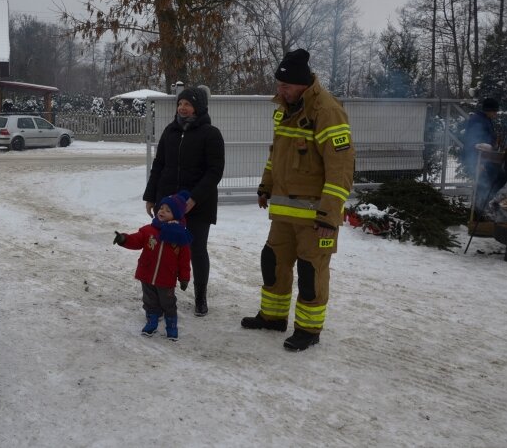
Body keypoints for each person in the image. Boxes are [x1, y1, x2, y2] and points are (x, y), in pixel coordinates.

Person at [241, 49, 354, 352]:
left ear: (303, 84)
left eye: (286, 86)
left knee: (310, 274)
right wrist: (266, 186)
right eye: (279, 85)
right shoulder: (284, 109)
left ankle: (308, 329)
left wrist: (330, 217)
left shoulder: (327, 111)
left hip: (316, 219)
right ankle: (273, 317)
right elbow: (275, 154)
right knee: (273, 264)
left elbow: (340, 169)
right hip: (283, 213)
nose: (280, 91)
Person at [143, 85, 225, 317]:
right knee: (165, 247)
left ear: (198, 107)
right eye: (180, 104)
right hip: (169, 203)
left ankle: (200, 296)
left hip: (199, 203)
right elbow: (159, 166)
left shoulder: (211, 134)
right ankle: (161, 295)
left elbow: (214, 171)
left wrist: (194, 198)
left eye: (187, 104)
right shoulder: (170, 131)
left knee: (197, 249)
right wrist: (151, 196)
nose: (183, 108)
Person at [113, 190, 193, 341]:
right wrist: (124, 239)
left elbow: (184, 260)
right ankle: (152, 322)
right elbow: (136, 240)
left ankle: (171, 326)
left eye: (168, 210)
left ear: (176, 215)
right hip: (147, 274)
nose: (162, 211)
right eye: (161, 208)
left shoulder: (180, 237)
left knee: (168, 303)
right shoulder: (149, 230)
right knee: (149, 301)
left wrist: (184, 277)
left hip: (166, 278)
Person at [462, 97, 507, 216]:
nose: (496, 114)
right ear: (488, 110)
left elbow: (488, 138)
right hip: (479, 159)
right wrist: (479, 163)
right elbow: (473, 141)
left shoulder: (486, 119)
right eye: (495, 111)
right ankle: (479, 208)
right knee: (487, 180)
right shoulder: (477, 120)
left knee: (500, 177)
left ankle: (484, 202)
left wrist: (494, 144)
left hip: (487, 158)